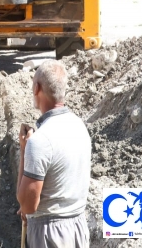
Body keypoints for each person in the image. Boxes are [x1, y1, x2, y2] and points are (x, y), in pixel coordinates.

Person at [16, 59, 91, 248]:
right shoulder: (79, 126)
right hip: (79, 228)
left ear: (36, 88)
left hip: (49, 234)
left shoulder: (40, 141)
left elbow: (27, 206)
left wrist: (25, 150)